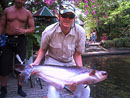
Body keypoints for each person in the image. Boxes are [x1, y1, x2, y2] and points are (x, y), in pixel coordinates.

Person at [30, 2, 90, 98]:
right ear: (59, 16)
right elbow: (43, 49)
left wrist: (81, 72)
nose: (67, 19)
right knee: (53, 91)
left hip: (70, 63)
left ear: (74, 18)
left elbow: (77, 54)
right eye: (64, 15)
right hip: (52, 63)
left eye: (70, 16)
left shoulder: (80, 32)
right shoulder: (48, 31)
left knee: (85, 88)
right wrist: (36, 63)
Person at [0, 0, 35, 97]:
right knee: (4, 65)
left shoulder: (27, 13)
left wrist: (24, 30)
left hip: (21, 41)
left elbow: (32, 28)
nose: (20, 1)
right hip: (7, 40)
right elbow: (2, 26)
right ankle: (3, 89)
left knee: (21, 66)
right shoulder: (7, 10)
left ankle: (20, 88)